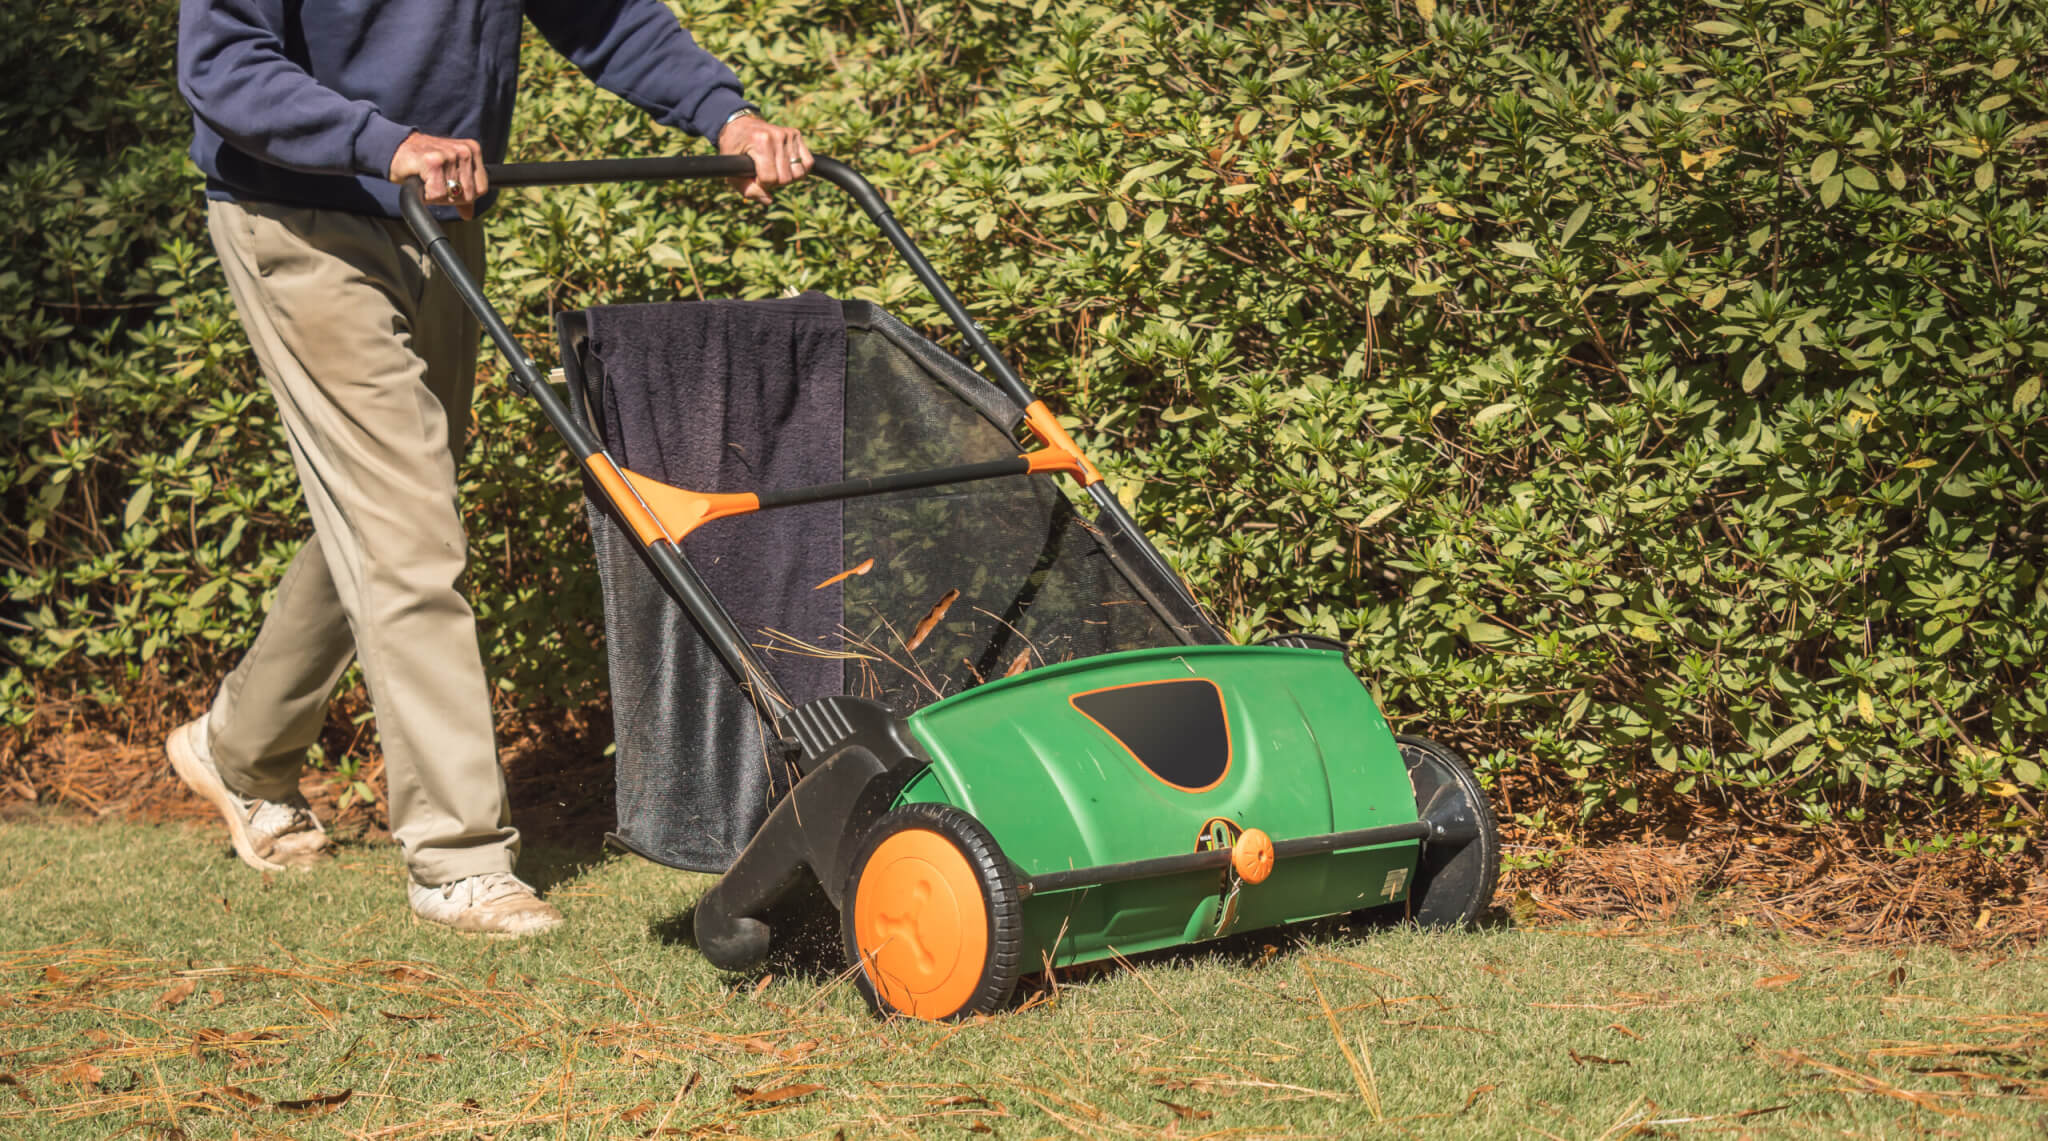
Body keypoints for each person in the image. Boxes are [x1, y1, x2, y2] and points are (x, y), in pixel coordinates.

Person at [167, 0, 811, 936]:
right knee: (405, 523)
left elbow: (607, 19)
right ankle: (457, 858)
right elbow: (221, 64)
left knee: (391, 506)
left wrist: (726, 116)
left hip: (432, 214)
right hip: (300, 217)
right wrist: (381, 142)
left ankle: (241, 747)